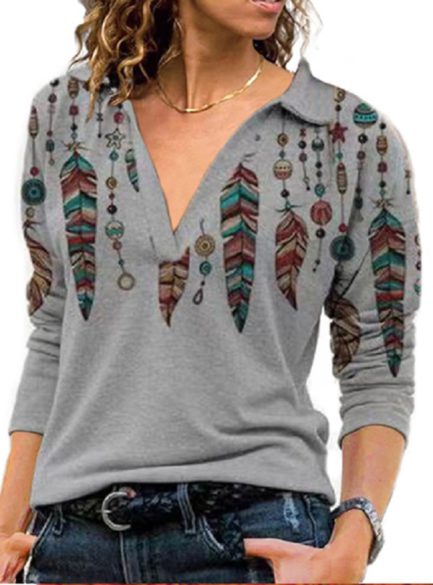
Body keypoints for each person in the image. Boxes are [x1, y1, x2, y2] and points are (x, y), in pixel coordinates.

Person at [0, 0, 422, 583]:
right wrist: (6, 526)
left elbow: (377, 360)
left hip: (257, 534)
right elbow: (54, 327)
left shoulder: (350, 137)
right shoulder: (67, 115)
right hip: (73, 543)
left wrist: (353, 540)